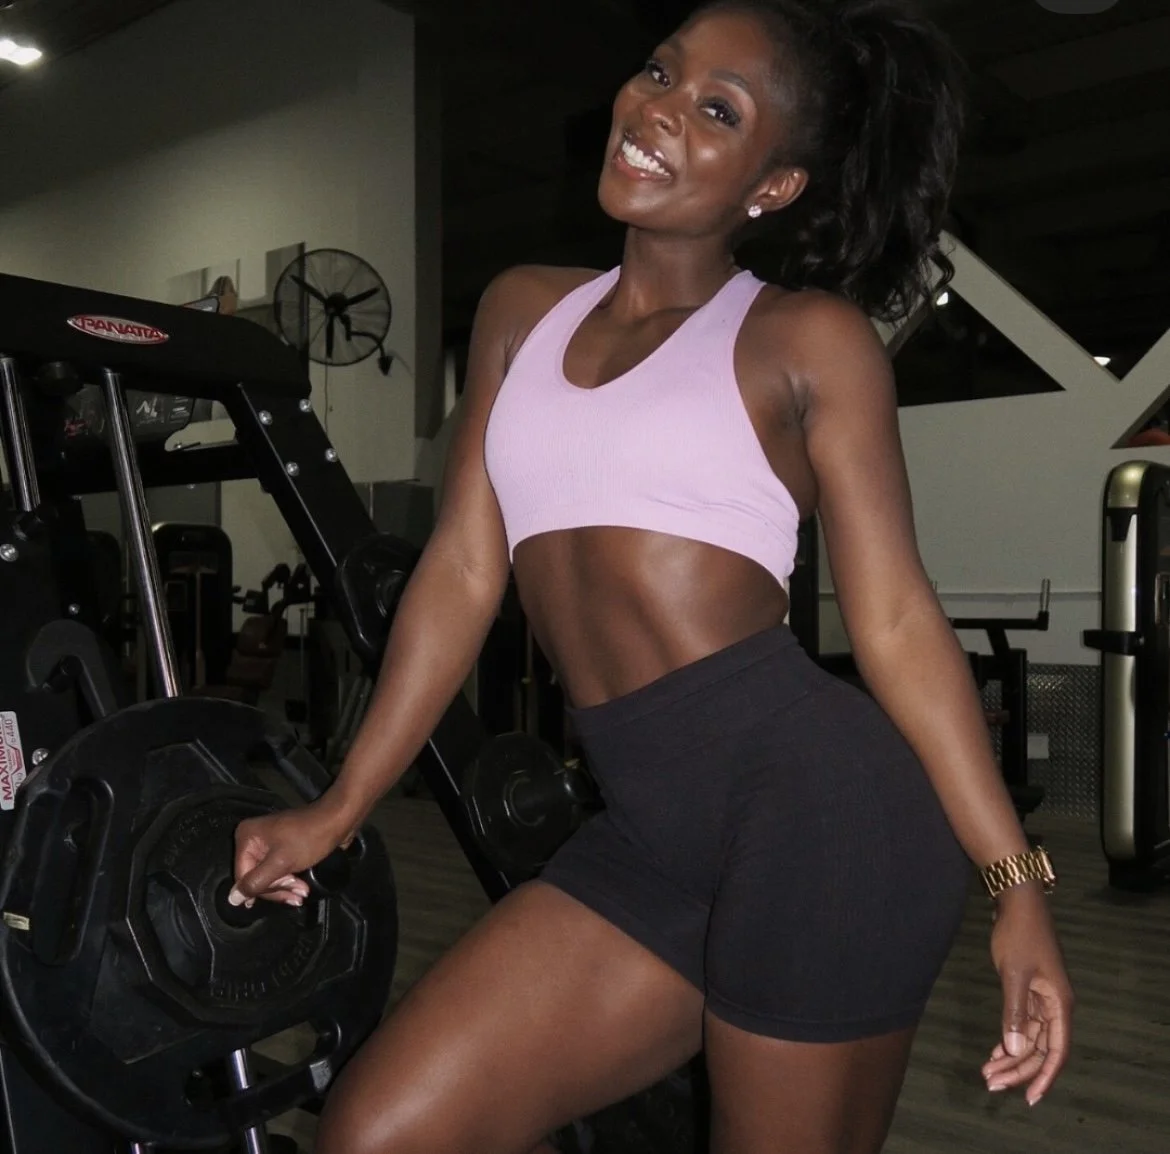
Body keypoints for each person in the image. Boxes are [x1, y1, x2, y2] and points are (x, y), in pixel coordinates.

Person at [230, 2, 1074, 1151]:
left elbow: (896, 618)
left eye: (717, 111)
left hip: (825, 825)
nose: (661, 112)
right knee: (377, 1129)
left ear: (770, 187)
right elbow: (463, 572)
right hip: (649, 837)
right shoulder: (522, 309)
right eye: (660, 74)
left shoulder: (806, 339)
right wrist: (340, 805)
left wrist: (1016, 880)